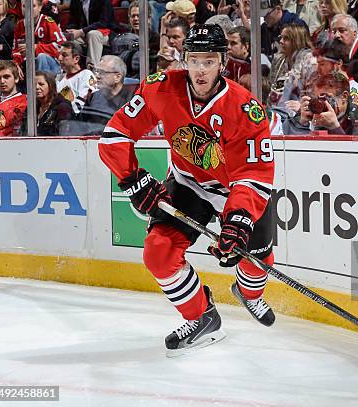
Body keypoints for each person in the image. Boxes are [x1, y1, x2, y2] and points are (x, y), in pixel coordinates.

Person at [98, 24, 276, 357]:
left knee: (257, 259)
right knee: (158, 253)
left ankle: (249, 294)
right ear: (185, 60)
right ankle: (202, 317)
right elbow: (116, 133)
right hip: (186, 183)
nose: (201, 69)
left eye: (209, 61)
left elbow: (253, 174)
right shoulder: (161, 87)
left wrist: (238, 220)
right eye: (194, 60)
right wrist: (132, 179)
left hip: (233, 190)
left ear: (222, 62)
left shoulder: (245, 109)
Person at [76, 55, 134, 133]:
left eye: (103, 72)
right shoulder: (93, 97)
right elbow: (80, 126)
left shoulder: (132, 99)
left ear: (117, 77)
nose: (97, 76)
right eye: (97, 71)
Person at [13, 0, 65, 75]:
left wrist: (36, 48)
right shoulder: (19, 25)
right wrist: (16, 64)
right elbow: (16, 51)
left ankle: (42, 84)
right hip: (29, 65)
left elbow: (62, 46)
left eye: (33, 6)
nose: (28, 9)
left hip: (52, 65)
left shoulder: (48, 22)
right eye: (24, 6)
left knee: (42, 57)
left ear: (40, 7)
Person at [65, 0, 116, 69]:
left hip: (105, 33)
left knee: (92, 34)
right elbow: (72, 21)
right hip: (85, 33)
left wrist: (81, 31)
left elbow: (103, 23)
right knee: (67, 38)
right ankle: (70, 69)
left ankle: (93, 70)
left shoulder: (104, 1)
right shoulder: (75, 1)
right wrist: (70, 30)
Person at [56, 41, 97, 113]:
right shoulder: (59, 79)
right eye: (59, 54)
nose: (59, 58)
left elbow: (83, 105)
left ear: (76, 59)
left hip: (79, 121)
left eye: (64, 55)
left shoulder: (86, 75)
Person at [0, 60, 27, 137]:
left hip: (8, 145)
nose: (2, 81)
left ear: (16, 78)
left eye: (6, 77)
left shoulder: (24, 101)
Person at [34, 70, 72, 136]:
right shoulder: (32, 108)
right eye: (33, 84)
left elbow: (65, 136)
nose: (36, 87)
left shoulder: (63, 107)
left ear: (51, 86)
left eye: (41, 84)